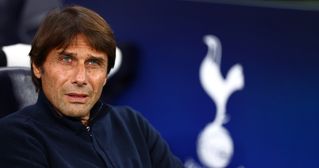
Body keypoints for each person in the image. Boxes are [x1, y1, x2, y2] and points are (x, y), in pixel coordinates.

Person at [0, 5, 183, 167]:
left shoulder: (131, 124)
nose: (81, 78)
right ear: (38, 68)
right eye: (66, 60)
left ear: (106, 75)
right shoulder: (15, 135)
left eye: (93, 63)